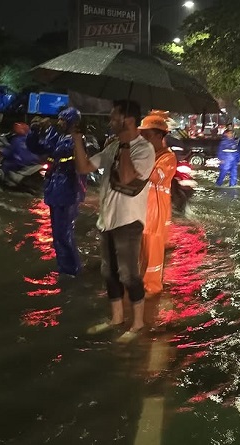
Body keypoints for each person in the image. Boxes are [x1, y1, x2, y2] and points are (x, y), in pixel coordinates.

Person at [72, 100, 155, 340]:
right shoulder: (112, 146)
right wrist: (77, 138)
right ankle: (117, 318)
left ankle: (137, 324)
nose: (110, 122)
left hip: (128, 221)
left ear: (127, 120)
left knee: (129, 275)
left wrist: (126, 144)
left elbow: (128, 177)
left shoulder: (143, 149)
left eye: (113, 117)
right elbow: (84, 167)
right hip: (107, 219)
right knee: (109, 273)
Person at [138, 111, 177, 295]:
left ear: (158, 135)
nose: (142, 137)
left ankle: (152, 294)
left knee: (152, 259)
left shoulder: (168, 157)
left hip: (155, 216)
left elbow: (155, 177)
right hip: (139, 212)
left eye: (146, 134)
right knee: (140, 257)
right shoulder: (147, 153)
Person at [44, 108, 86, 277]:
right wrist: (37, 131)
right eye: (59, 119)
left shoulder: (79, 140)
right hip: (55, 190)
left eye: (63, 120)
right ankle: (64, 268)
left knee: (64, 233)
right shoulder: (58, 136)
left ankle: (73, 270)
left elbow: (60, 152)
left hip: (69, 191)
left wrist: (52, 131)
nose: (59, 122)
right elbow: (44, 147)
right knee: (57, 234)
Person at [1, 122, 42, 188]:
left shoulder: (17, 140)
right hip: (34, 163)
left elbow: (12, 152)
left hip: (21, 163)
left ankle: (6, 183)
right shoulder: (32, 138)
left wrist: (3, 152)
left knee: (5, 165)